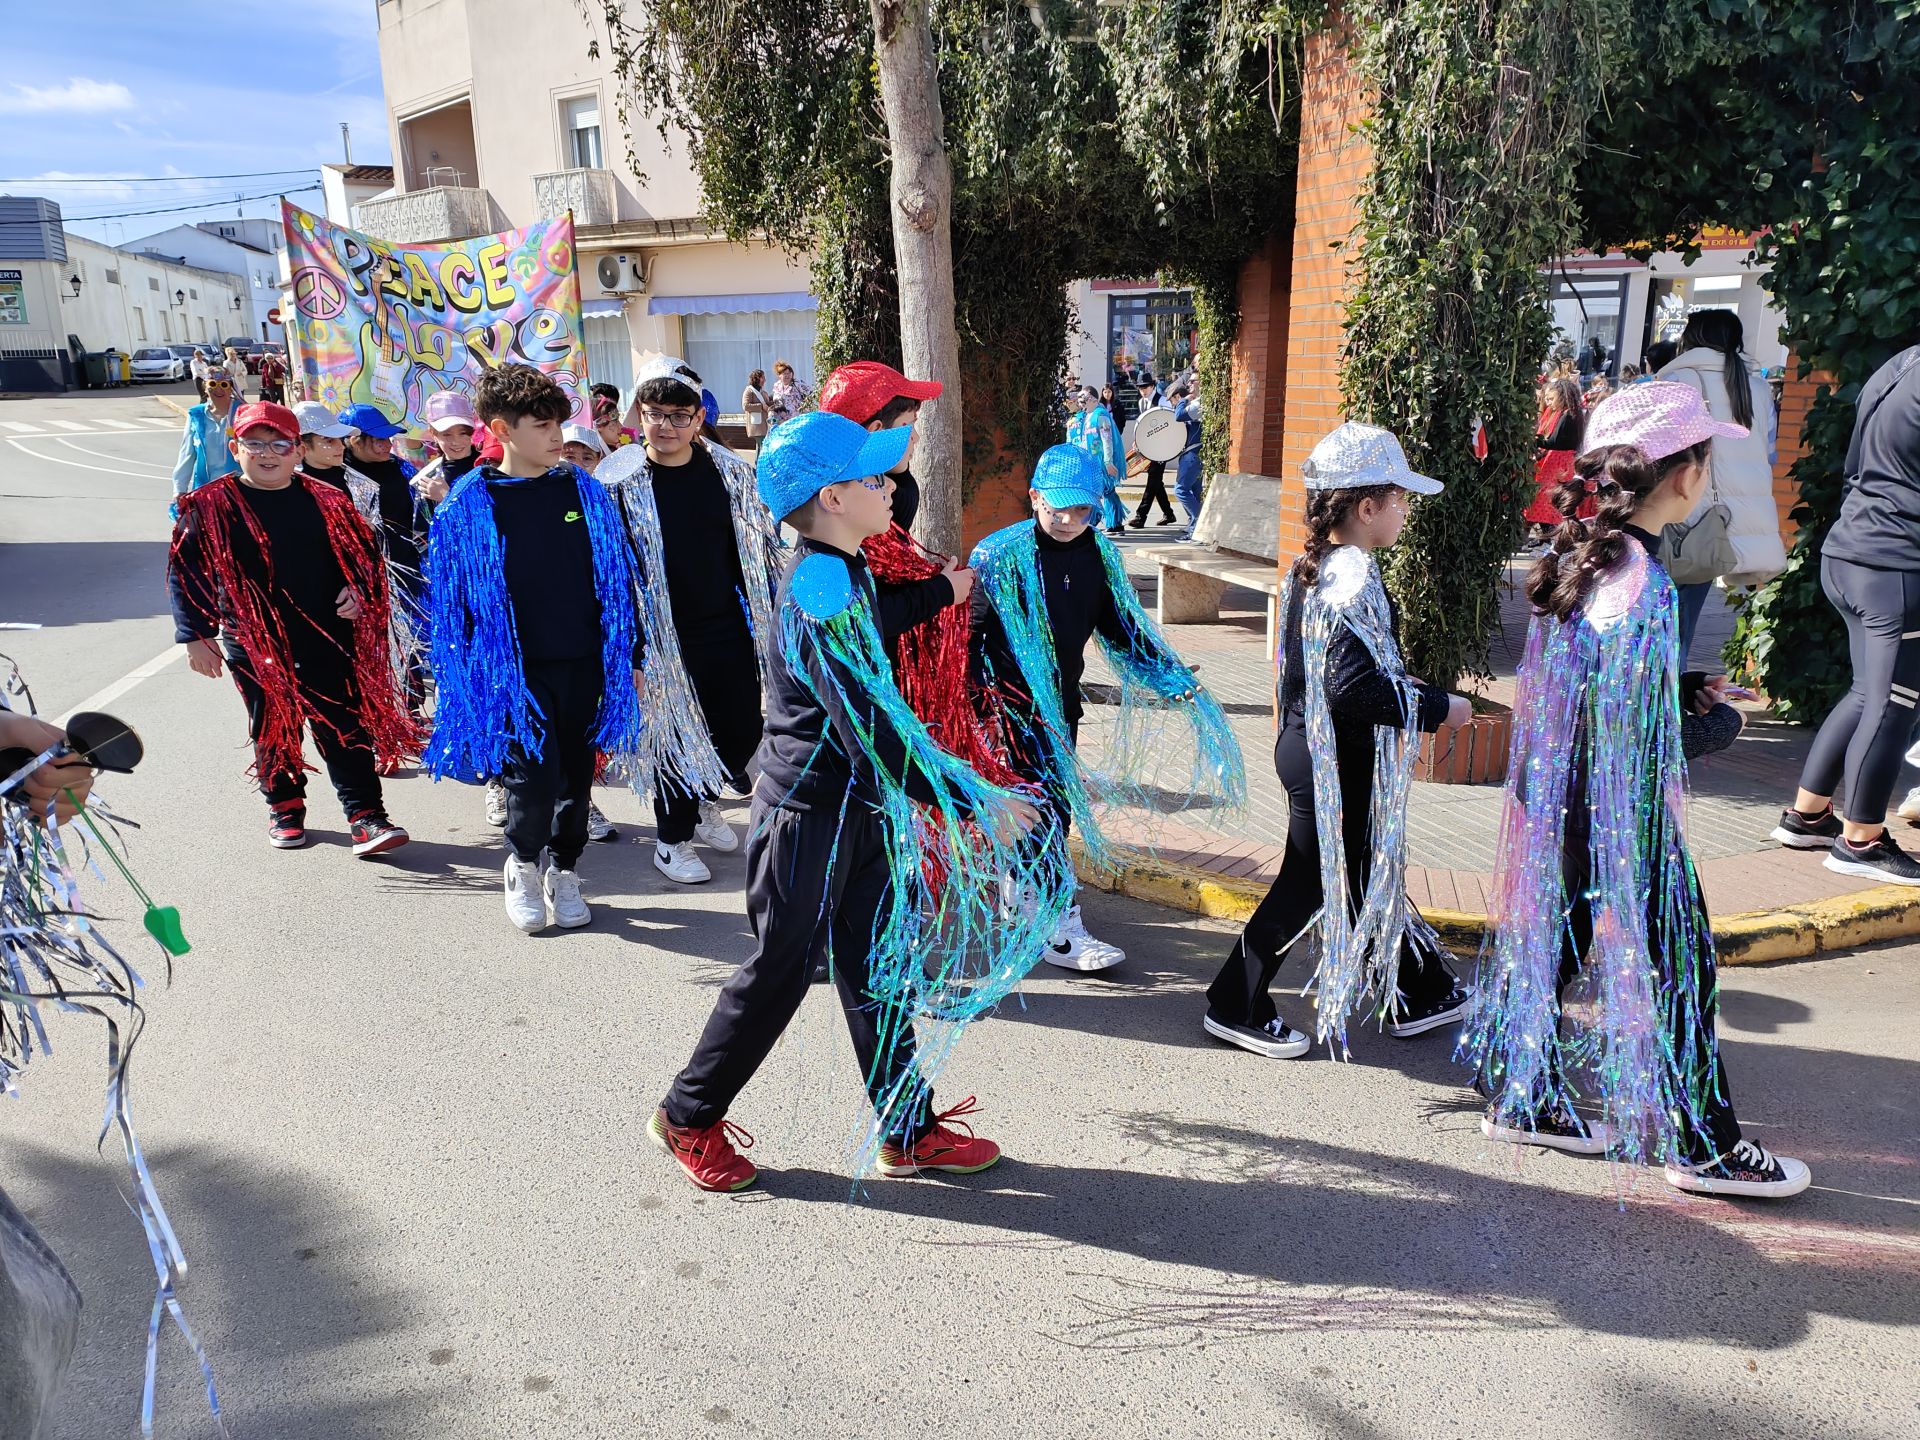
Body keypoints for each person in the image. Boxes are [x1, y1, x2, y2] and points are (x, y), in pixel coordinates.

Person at [649, 410, 1055, 1192]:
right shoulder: (820, 585)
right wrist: (974, 799)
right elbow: (872, 724)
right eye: (874, 479)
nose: (890, 487)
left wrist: (941, 593)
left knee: (880, 968)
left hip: (861, 811)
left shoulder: (850, 570)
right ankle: (687, 1113)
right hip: (808, 818)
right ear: (833, 498)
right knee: (779, 971)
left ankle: (905, 1130)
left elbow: (882, 668)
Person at [1464, 382, 1809, 1199]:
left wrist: (1678, 694)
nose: (1709, 472)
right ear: (1682, 474)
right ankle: (1706, 1146)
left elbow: (1591, 700)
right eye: (1706, 456)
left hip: (1565, 799)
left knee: (1563, 938)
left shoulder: (1590, 561)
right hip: (1627, 812)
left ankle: (1526, 1092)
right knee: (1683, 960)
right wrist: (1708, 729)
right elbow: (1631, 736)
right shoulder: (1643, 584)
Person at [1204, 423, 1472, 1059]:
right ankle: (1233, 1002)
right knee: (1311, 885)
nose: (1406, 512)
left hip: (1322, 749)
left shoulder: (1332, 564)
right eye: (1399, 500)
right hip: (1326, 759)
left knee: (1362, 871)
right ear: (1366, 507)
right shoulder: (1347, 575)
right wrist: (1439, 706)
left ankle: (1418, 988)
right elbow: (1351, 688)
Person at [970, 444, 1245, 971]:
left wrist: (1167, 678)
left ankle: (1021, 894)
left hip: (1061, 708)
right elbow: (967, 640)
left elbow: (1120, 630)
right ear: (1034, 498)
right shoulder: (998, 556)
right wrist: (972, 716)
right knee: (1040, 809)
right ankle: (1056, 924)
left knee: (1052, 809)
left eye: (1083, 509)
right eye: (1059, 508)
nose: (1071, 519)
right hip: (1004, 710)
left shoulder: (1099, 554)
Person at [423, 364, 645, 934]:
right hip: (512, 673)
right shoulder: (468, 504)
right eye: (543, 425)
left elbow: (620, 582)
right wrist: (468, 680)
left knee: (576, 776)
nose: (556, 437)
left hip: (585, 662)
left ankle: (564, 871)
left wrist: (632, 658)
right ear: (500, 428)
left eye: (559, 424)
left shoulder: (585, 492)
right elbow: (452, 606)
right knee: (532, 779)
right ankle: (522, 863)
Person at [167, 401, 413, 855]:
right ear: (235, 447)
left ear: (298, 450)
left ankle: (366, 816)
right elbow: (188, 573)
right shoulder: (208, 505)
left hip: (326, 633)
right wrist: (195, 636)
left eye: (280, 443)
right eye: (254, 444)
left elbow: (364, 561)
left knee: (343, 723)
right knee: (274, 724)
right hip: (252, 639)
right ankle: (285, 807)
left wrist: (358, 592)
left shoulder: (329, 500)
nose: (268, 453)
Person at [598, 356, 782, 885]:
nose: (667, 426)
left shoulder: (729, 473)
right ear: (639, 414)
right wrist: (628, 649)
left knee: (738, 730)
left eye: (680, 415)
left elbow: (760, 553)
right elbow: (609, 574)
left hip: (726, 626)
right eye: (655, 413)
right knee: (674, 737)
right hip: (658, 637)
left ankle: (703, 802)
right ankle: (671, 840)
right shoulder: (618, 480)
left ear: (699, 418)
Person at [1774, 344, 1920, 881]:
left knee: (1867, 695)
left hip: (1851, 550)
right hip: (1898, 564)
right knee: (1892, 703)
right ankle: (1861, 842)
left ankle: (1808, 815)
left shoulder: (1900, 364)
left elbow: (1859, 463)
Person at [1657, 309, 1786, 662]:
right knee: (1683, 625)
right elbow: (1768, 451)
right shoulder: (1756, 386)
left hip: (1678, 511)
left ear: (1691, 337)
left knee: (1653, 620)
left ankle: (1653, 707)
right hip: (1718, 524)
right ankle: (1674, 703)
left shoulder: (1679, 380)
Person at [169, 368, 242, 516]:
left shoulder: (242, 412)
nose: (218, 389)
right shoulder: (196, 415)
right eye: (213, 384)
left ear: (231, 387)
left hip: (239, 489)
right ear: (205, 387)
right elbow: (187, 453)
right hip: (205, 490)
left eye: (224, 385)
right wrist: (179, 488)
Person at [1522, 378, 1585, 542]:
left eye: (1551, 399)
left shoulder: (1568, 415)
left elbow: (1554, 442)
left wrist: (1532, 439)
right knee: (1548, 501)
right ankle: (1547, 537)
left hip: (1558, 463)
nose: (1549, 403)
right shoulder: (1572, 413)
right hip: (1561, 461)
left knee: (1546, 500)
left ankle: (1549, 537)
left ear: (1562, 396)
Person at [1065, 385, 1127, 536]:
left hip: (1100, 461)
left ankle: (1112, 523)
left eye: (1083, 400)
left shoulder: (1101, 416)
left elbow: (1107, 440)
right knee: (1098, 491)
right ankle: (1103, 522)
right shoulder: (1085, 417)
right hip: (1089, 461)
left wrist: (1108, 462)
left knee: (1106, 490)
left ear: (1092, 399)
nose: (1081, 404)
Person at [410, 390, 483, 509]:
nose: (456, 442)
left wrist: (447, 497)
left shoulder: (489, 467)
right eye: (447, 435)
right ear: (433, 433)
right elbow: (424, 525)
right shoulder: (429, 478)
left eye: (463, 433)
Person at [1128, 382, 1179, 529]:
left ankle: (1140, 516)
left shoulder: (1162, 401)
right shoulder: (1141, 402)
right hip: (1150, 447)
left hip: (1162, 448)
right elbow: (1142, 424)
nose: (1142, 390)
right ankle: (1168, 513)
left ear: (1152, 386)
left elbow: (1171, 423)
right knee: (1156, 481)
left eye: (1145, 387)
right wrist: (1137, 440)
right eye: (1140, 388)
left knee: (1153, 480)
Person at [1169, 383, 1206, 534]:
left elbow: (1179, 416)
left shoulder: (1196, 404)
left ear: (1177, 396)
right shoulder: (1194, 403)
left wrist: (1183, 400)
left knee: (1180, 490)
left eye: (1172, 400)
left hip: (1192, 455)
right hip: (1192, 454)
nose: (1190, 384)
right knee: (1195, 492)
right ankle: (1193, 526)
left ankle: (1200, 522)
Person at [768, 359, 809, 427]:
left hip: (797, 417)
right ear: (779, 375)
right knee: (771, 416)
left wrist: (805, 404)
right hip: (783, 419)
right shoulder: (777, 386)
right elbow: (777, 401)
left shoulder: (797, 383)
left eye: (789, 373)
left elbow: (811, 394)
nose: (787, 375)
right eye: (785, 374)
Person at [742, 368, 771, 444]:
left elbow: (767, 404)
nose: (765, 380)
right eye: (763, 378)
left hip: (765, 425)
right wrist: (761, 406)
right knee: (760, 448)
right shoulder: (749, 391)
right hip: (757, 426)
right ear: (756, 378)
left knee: (764, 448)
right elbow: (745, 406)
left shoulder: (763, 392)